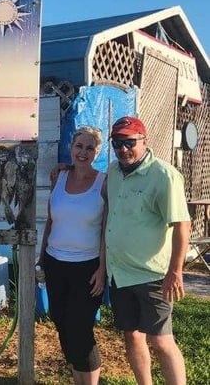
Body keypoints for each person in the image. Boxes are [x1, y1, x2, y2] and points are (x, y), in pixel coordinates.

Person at [105, 116, 190, 384]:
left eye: (129, 142)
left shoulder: (164, 175)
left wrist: (175, 271)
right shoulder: (113, 171)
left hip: (153, 274)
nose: (123, 149)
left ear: (144, 140)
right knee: (131, 335)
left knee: (161, 340)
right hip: (119, 273)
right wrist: (64, 169)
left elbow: (181, 225)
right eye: (117, 143)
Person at [39, 126, 107, 385]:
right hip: (56, 263)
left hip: (87, 267)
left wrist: (102, 268)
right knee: (61, 323)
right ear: (71, 147)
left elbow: (105, 230)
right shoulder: (58, 176)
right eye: (79, 146)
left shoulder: (104, 183)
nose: (83, 152)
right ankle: (81, 379)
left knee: (80, 329)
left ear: (97, 152)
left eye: (90, 148)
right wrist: (42, 256)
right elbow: (50, 221)